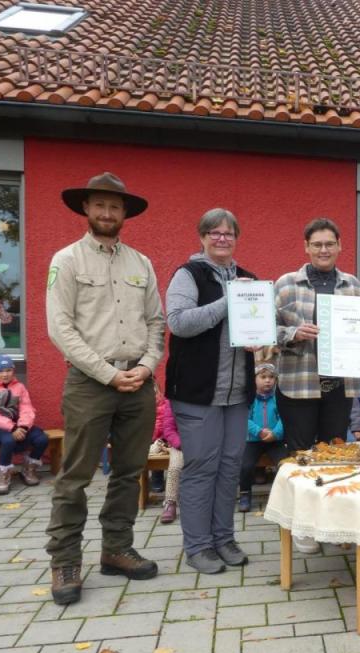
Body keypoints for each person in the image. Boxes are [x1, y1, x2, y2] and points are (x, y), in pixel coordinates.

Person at [45, 171, 164, 605]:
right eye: (100, 205)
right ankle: (64, 561)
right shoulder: (67, 260)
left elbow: (156, 322)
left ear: (125, 213)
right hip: (90, 383)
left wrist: (147, 366)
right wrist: (107, 373)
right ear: (86, 209)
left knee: (129, 472)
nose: (108, 213)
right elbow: (61, 328)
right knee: (75, 476)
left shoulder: (141, 263)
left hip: (138, 380)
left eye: (115, 207)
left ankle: (116, 549)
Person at [275, 217, 360, 553]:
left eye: (329, 243)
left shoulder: (352, 285)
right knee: (301, 456)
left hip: (339, 387)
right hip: (298, 384)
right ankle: (302, 526)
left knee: (335, 454)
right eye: (317, 244)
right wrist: (293, 334)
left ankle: (333, 523)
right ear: (306, 247)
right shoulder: (286, 284)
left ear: (339, 246)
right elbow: (266, 334)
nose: (323, 249)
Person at [165, 208, 258, 574]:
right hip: (197, 392)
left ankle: (224, 538)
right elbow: (180, 323)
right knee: (202, 467)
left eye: (229, 233)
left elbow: (258, 327)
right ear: (202, 237)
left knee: (230, 467)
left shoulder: (249, 279)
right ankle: (198, 546)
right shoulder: (188, 274)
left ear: (237, 238)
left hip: (236, 394)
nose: (222, 238)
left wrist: (265, 337)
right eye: (215, 233)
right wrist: (229, 302)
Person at [0, 354, 49, 495]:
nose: (5, 374)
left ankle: (28, 469)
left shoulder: (19, 387)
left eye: (9, 370)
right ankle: (3, 476)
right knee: (8, 440)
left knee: (42, 438)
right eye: (0, 371)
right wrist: (12, 427)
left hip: (18, 426)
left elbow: (27, 408)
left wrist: (23, 426)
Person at [239, 363, 286, 513]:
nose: (268, 380)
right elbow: (244, 419)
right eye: (263, 377)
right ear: (254, 380)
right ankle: (245, 494)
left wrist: (275, 433)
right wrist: (259, 432)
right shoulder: (250, 399)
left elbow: (284, 417)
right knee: (245, 466)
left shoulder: (278, 398)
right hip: (253, 441)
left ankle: (282, 497)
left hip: (275, 440)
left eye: (271, 377)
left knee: (284, 465)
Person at [150, 383, 182, 524]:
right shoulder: (172, 402)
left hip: (201, 442)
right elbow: (168, 428)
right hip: (179, 444)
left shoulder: (202, 400)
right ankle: (170, 503)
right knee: (174, 467)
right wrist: (180, 444)